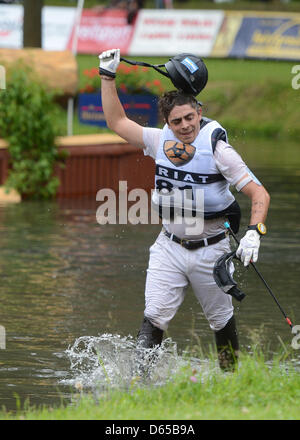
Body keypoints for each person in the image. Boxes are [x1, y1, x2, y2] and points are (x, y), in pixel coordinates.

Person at [98, 48, 270, 372]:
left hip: (212, 250)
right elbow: (116, 121)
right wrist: (108, 75)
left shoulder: (218, 149)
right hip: (169, 247)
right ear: (167, 122)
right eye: (176, 121)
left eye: (190, 118)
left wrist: (253, 234)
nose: (185, 125)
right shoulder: (157, 140)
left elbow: (259, 193)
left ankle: (232, 381)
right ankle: (140, 383)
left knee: (221, 321)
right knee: (155, 315)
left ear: (199, 112)